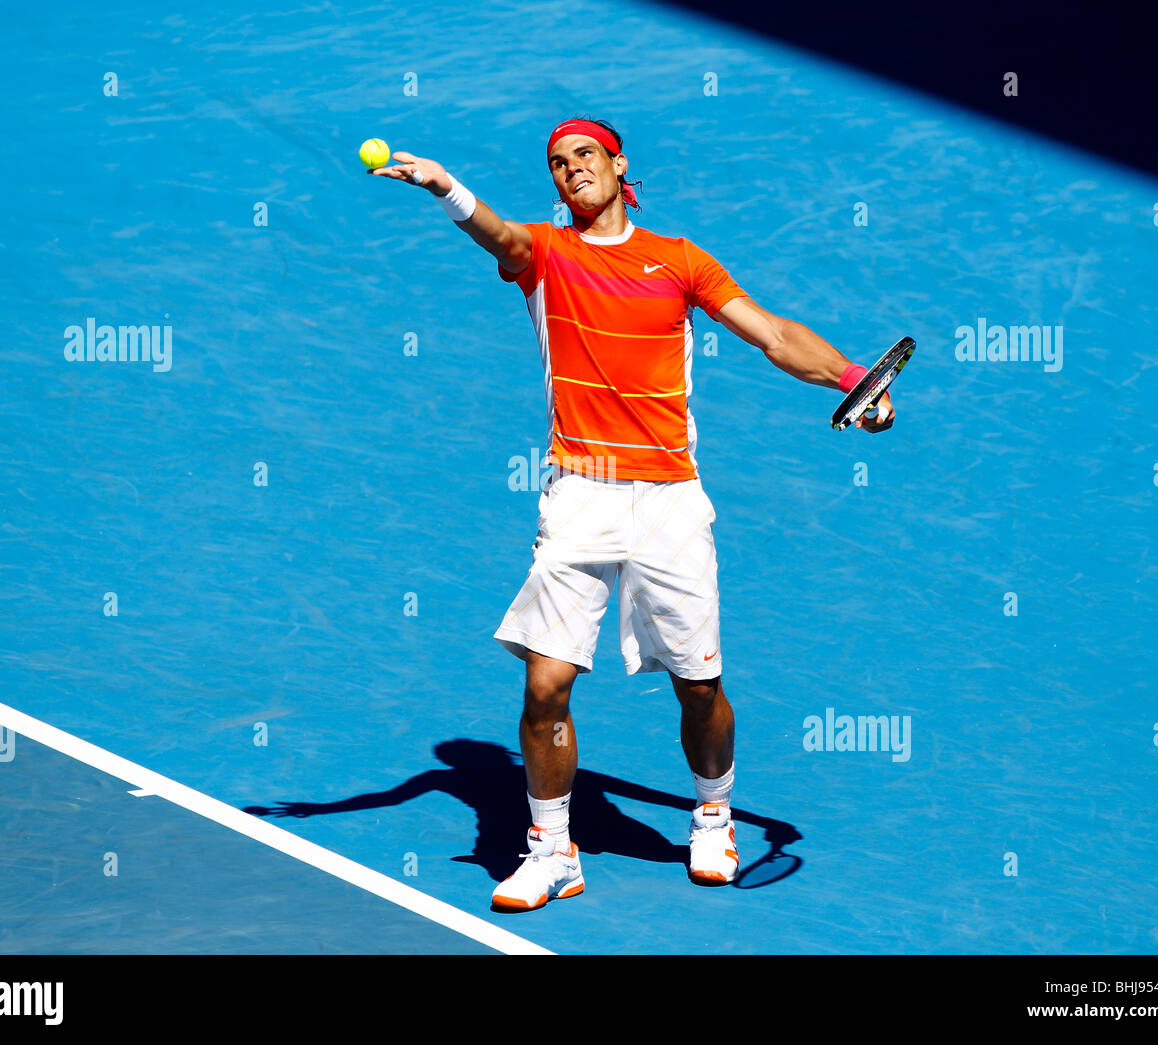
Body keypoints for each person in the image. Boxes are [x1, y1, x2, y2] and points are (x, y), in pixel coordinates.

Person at [370, 117, 894, 911]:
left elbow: (775, 335)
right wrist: (446, 187)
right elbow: (503, 240)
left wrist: (854, 378)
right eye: (556, 163)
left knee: (698, 685)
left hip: (668, 501)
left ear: (619, 168)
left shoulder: (679, 260)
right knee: (545, 685)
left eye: (584, 156)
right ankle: (551, 849)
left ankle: (712, 812)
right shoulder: (547, 254)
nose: (569, 169)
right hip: (577, 493)